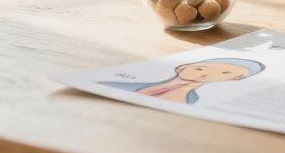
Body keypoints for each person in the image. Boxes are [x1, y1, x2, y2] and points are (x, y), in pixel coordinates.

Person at [101, 58, 266, 104]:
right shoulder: (116, 85)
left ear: (236, 78)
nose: (204, 75)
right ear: (183, 66)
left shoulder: (195, 102)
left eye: (226, 72)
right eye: (201, 68)